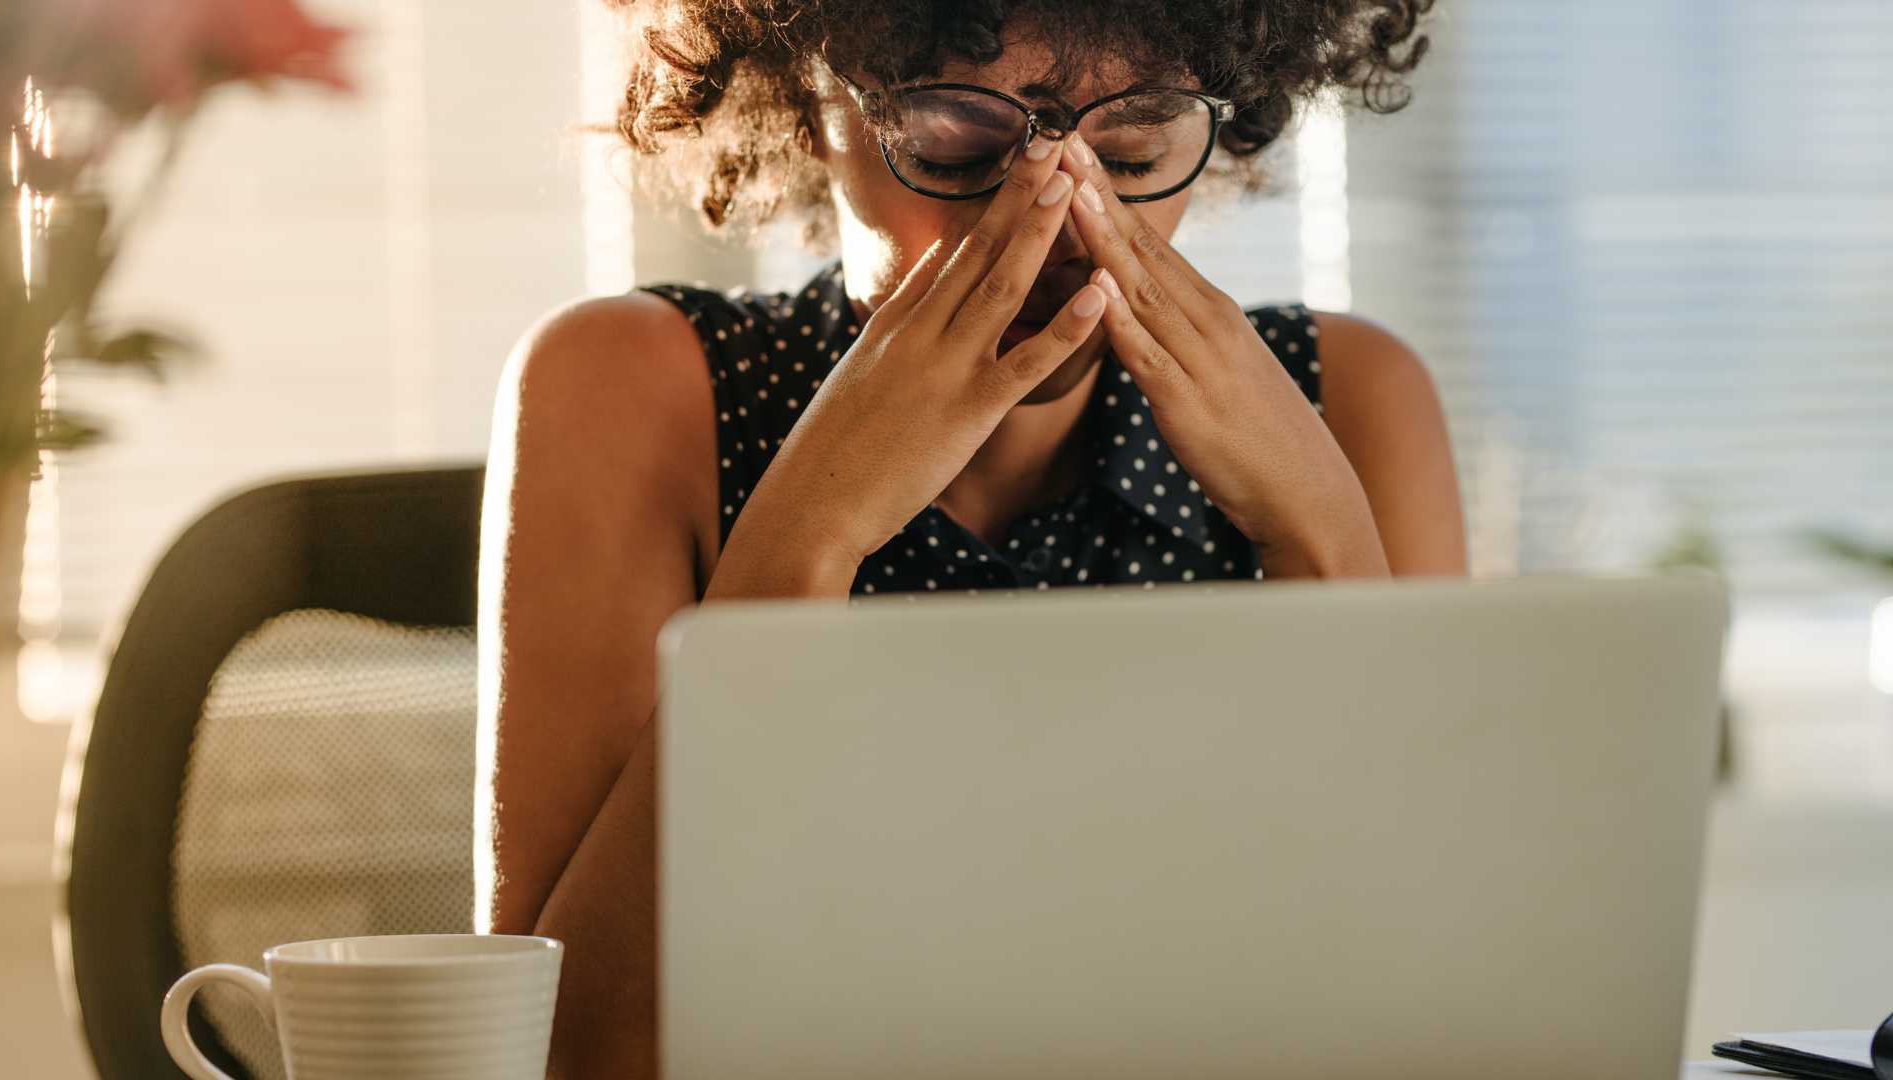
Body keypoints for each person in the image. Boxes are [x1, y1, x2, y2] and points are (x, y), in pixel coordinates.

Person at [479, 1, 1463, 1075]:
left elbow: (1442, 1015)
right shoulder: (629, 389)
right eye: (955, 141)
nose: (1060, 218)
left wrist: (1319, 536)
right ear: (812, 106)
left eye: (1132, 153)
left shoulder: (1353, 403)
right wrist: (813, 530)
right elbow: (568, 1048)